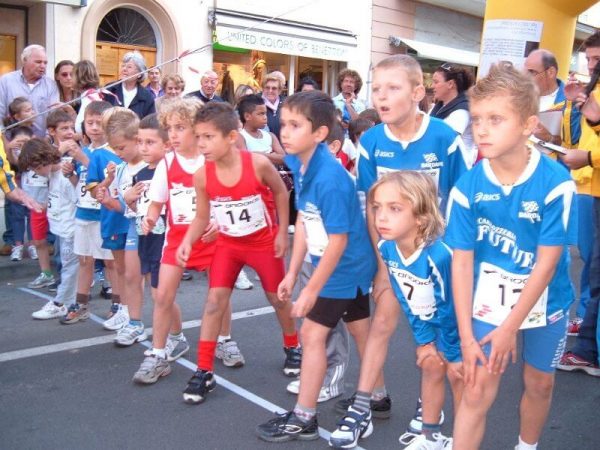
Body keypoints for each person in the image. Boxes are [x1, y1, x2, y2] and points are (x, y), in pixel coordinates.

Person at [336, 55, 471, 437]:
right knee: (381, 324)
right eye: (376, 88)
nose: (381, 95)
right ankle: (363, 406)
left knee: (437, 331)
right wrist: (382, 264)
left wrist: (454, 261)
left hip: (435, 256)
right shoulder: (372, 141)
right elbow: (369, 204)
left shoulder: (444, 138)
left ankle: (430, 411)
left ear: (416, 92)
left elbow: (460, 201)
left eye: (392, 88)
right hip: (394, 255)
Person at [446, 62, 577, 450]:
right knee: (475, 387)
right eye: (478, 119)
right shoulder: (468, 187)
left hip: (545, 300)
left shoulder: (556, 183)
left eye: (496, 119)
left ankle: (527, 445)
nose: (482, 129)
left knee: (540, 383)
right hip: (487, 302)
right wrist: (468, 337)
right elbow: (462, 262)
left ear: (527, 125)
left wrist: (509, 329)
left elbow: (547, 262)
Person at [255, 91, 376, 443]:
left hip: (345, 266)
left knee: (311, 334)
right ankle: (378, 397)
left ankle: (304, 416)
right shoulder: (299, 162)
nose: (285, 132)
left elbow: (338, 241)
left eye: (295, 125)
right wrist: (293, 273)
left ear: (320, 134)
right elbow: (306, 221)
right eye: (284, 123)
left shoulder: (331, 180)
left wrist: (309, 290)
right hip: (337, 263)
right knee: (361, 332)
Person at [176, 101, 301, 404]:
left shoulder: (257, 163)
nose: (201, 144)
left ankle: (292, 346)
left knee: (277, 298)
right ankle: (204, 370)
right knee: (213, 302)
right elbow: (203, 216)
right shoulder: (203, 175)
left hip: (263, 243)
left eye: (208, 137)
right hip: (229, 245)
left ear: (231, 137)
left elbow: (282, 191)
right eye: (198, 136)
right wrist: (188, 240)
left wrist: (283, 231)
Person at [339, 171, 461, 449]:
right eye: (377, 208)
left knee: (459, 378)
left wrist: (449, 350)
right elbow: (408, 302)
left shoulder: (439, 255)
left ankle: (465, 439)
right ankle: (431, 436)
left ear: (421, 216)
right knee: (430, 368)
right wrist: (424, 343)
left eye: (394, 209)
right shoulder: (388, 249)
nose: (381, 217)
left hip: (460, 324)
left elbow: (452, 306)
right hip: (432, 322)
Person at [132, 98, 212, 384]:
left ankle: (224, 340)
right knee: (163, 295)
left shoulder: (210, 160)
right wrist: (151, 218)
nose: (173, 134)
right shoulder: (167, 163)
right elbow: (156, 202)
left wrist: (216, 223)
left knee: (218, 297)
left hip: (210, 239)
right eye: (170, 128)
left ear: (197, 129)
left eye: (181, 127)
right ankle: (157, 354)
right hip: (177, 239)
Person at [525, 49, 588, 336]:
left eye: (531, 72)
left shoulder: (572, 101)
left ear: (550, 73)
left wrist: (548, 138)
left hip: (559, 182)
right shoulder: (521, 98)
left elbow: (575, 143)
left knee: (561, 251)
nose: (526, 77)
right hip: (522, 182)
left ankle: (563, 310)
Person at [558, 30, 600, 376]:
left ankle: (588, 341)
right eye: (588, 60)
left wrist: (588, 155)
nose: (591, 66)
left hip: (591, 184)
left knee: (594, 262)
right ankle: (586, 328)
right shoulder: (590, 94)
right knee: (591, 260)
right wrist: (574, 105)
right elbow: (573, 140)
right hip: (587, 185)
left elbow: (585, 148)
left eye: (596, 60)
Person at [60, 100, 116, 324]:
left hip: (104, 214)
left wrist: (81, 157)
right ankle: (81, 304)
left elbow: (108, 179)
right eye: (89, 123)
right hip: (83, 212)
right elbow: (82, 183)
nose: (93, 127)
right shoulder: (84, 151)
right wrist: (70, 174)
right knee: (85, 260)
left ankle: (117, 304)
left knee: (111, 261)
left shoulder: (110, 151)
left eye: (99, 123)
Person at [96, 108, 148, 345]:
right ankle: (134, 322)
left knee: (157, 285)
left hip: (153, 228)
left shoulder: (151, 166)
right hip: (133, 227)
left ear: (137, 140)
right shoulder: (122, 169)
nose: (118, 153)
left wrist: (130, 201)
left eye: (121, 148)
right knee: (130, 275)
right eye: (115, 148)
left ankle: (170, 331)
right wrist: (108, 200)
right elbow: (123, 206)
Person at [19, 138, 79, 320]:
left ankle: (62, 302)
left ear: (44, 161)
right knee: (69, 266)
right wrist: (44, 206)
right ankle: (69, 300)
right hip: (62, 227)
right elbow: (58, 200)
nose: (36, 172)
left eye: (36, 168)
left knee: (69, 266)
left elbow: (75, 202)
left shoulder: (64, 174)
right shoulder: (53, 175)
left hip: (71, 228)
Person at [85, 108, 129, 329]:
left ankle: (131, 311)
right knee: (119, 266)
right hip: (113, 218)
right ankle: (122, 307)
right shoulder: (99, 155)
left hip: (134, 218)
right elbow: (95, 191)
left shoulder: (135, 149)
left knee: (136, 269)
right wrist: (105, 183)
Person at [27, 109, 76, 290]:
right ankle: (56, 276)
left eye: (71, 127)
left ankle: (69, 283)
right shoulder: (47, 149)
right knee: (53, 243)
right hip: (47, 202)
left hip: (68, 207)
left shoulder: (76, 149)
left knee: (67, 247)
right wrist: (59, 152)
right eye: (64, 128)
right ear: (52, 131)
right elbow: (43, 168)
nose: (69, 132)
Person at [0, 45, 59, 138]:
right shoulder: (6, 81)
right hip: (12, 143)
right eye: (38, 62)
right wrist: (5, 142)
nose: (43, 66)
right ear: (24, 60)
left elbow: (53, 116)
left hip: (41, 144)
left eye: (45, 62)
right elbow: (1, 113)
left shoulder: (51, 85)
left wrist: (47, 140)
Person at [430, 63, 475, 156]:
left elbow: (444, 140)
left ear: (450, 84)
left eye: (436, 82)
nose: (432, 86)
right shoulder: (439, 106)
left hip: (456, 166)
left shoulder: (462, 111)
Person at [3, 126, 34, 261]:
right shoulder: (10, 152)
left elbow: (26, 163)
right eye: (19, 142)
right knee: (16, 217)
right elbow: (13, 162)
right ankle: (17, 246)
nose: (22, 145)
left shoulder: (34, 151)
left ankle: (33, 245)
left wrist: (30, 146)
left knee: (32, 217)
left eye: (25, 142)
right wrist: (9, 148)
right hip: (16, 189)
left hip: (33, 190)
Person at [107, 51, 156, 119]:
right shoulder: (110, 89)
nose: (124, 69)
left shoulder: (147, 96)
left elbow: (149, 123)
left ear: (139, 74)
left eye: (129, 67)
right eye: (123, 66)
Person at [73, 60, 103, 134]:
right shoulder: (86, 97)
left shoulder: (91, 99)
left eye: (72, 75)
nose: (70, 78)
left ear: (79, 77)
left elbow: (93, 132)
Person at [261, 72, 285, 139]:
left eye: (274, 88)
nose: (270, 91)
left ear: (280, 90)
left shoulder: (286, 104)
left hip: (283, 146)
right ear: (263, 88)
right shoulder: (257, 103)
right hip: (264, 146)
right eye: (267, 88)